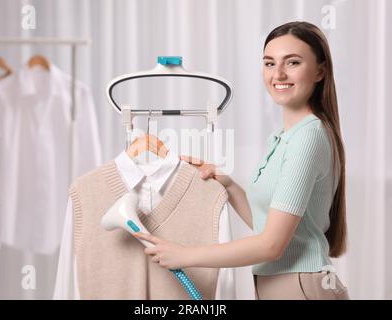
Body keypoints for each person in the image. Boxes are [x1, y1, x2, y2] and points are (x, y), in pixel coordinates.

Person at [135, 21, 349, 300]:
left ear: (320, 71)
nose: (278, 74)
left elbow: (272, 245)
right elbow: (267, 224)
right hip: (284, 286)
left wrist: (184, 255)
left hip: (300, 287)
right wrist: (228, 184)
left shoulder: (307, 138)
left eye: (293, 62)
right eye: (269, 64)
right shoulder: (282, 138)